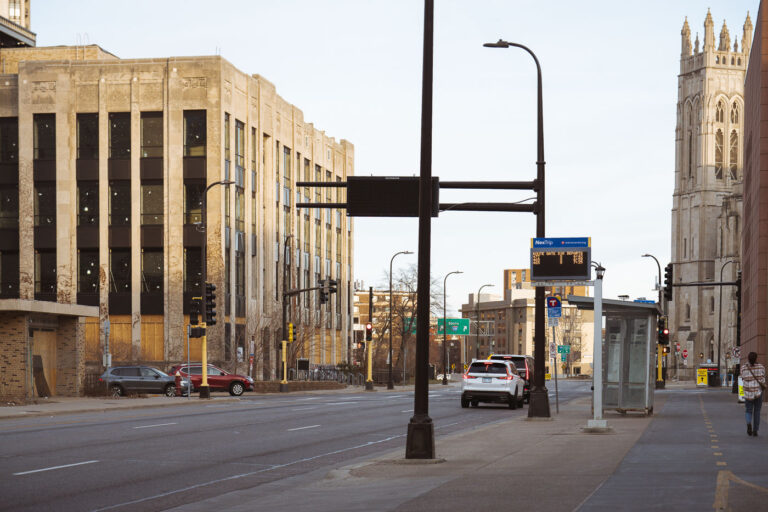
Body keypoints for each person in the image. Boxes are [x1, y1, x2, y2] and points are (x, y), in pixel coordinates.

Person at [742, 351, 766, 437]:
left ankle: (749, 423)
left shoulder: (744, 367)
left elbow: (743, 377)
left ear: (748, 358)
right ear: (756, 358)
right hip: (758, 392)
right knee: (757, 411)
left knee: (748, 410)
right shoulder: (761, 367)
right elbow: (763, 378)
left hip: (748, 393)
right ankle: (755, 430)